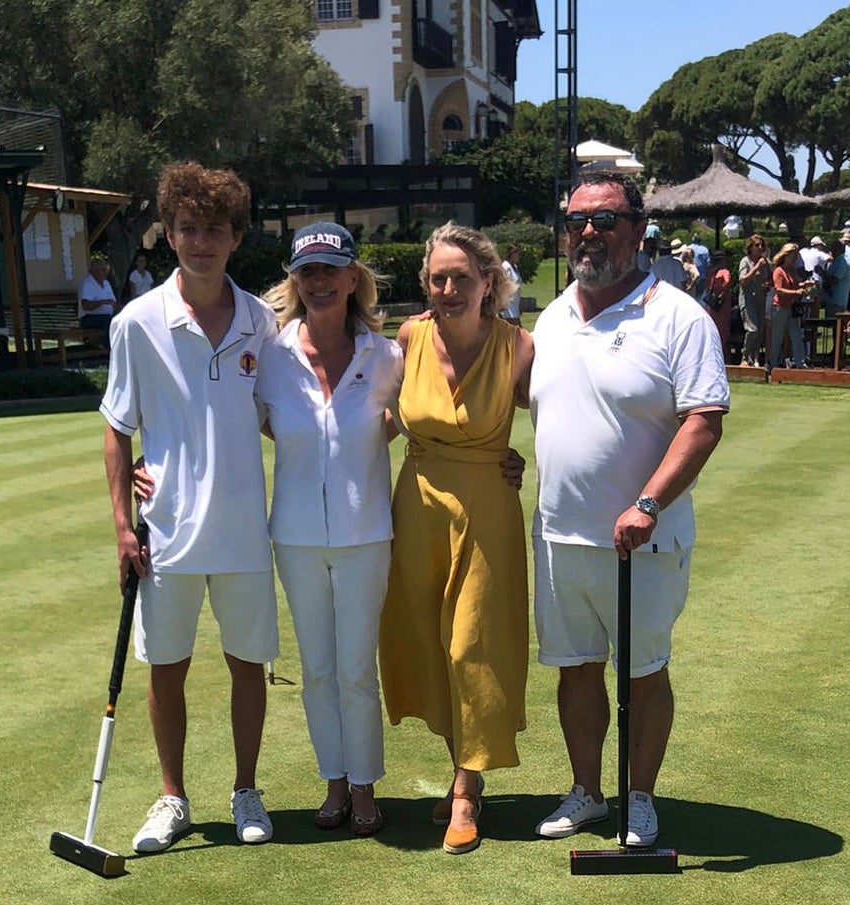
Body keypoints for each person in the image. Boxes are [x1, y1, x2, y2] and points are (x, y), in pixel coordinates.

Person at [529, 170, 729, 848]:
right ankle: (586, 792)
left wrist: (647, 502)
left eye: (606, 219)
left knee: (642, 672)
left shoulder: (676, 315)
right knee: (575, 668)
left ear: (637, 231)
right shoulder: (551, 317)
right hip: (560, 535)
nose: (590, 232)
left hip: (642, 539)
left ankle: (638, 798)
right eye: (578, 220)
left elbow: (702, 422)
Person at [101, 161, 279, 854]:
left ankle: (246, 790)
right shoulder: (137, 323)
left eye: (213, 230)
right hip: (165, 532)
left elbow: (284, 412)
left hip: (242, 532)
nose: (200, 241)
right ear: (168, 235)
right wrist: (121, 524)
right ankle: (172, 797)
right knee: (165, 667)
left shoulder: (262, 321)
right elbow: (118, 427)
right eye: (187, 229)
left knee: (246, 664)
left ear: (234, 237)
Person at [378, 221, 533, 855]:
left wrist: (518, 457)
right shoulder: (409, 336)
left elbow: (560, 420)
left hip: (488, 509)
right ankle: (459, 761)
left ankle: (467, 792)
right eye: (437, 278)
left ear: (487, 283)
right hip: (416, 506)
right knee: (427, 641)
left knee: (475, 644)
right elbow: (377, 418)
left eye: (461, 278)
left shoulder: (519, 347)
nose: (447, 289)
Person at [257, 223, 403, 837]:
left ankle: (365, 783)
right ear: (295, 279)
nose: (318, 283)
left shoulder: (387, 355)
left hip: (367, 532)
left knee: (354, 668)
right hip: (294, 534)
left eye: (330, 270)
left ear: (352, 278)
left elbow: (417, 422)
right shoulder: (270, 355)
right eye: (307, 272)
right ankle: (334, 783)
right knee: (316, 667)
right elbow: (253, 423)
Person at [769, 242, 813, 370]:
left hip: (791, 308)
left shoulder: (791, 270)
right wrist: (796, 292)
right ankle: (773, 364)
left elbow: (794, 285)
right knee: (777, 337)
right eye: (793, 255)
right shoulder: (779, 271)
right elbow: (778, 289)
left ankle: (800, 362)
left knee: (796, 335)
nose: (795, 258)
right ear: (786, 255)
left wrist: (803, 285)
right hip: (780, 308)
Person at [737, 235, 771, 367]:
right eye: (757, 245)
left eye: (762, 245)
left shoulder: (764, 263)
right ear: (750, 247)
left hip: (760, 299)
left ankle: (752, 359)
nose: (760, 247)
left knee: (759, 332)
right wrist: (756, 267)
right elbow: (743, 280)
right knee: (752, 329)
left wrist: (767, 284)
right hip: (748, 299)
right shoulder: (745, 261)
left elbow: (769, 279)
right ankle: (744, 358)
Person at [78, 257, 117, 347]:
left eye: (106, 270)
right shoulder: (86, 284)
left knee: (120, 319)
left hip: (106, 316)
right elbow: (86, 306)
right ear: (94, 271)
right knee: (109, 321)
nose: (106, 273)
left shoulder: (106, 283)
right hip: (89, 318)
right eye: (103, 270)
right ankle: (109, 349)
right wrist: (102, 302)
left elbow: (113, 303)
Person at [703, 250, 732, 362]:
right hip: (722, 304)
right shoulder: (724, 271)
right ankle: (723, 358)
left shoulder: (711, 272)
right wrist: (722, 293)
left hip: (711, 305)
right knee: (723, 331)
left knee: (712, 329)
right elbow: (728, 282)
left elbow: (707, 287)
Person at [822, 238, 850, 317]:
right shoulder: (836, 261)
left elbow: (836, 279)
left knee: (835, 325)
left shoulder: (841, 262)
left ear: (838, 249)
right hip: (832, 300)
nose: (831, 250)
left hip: (837, 301)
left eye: (833, 247)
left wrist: (823, 275)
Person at [500, 243, 523, 325]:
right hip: (508, 306)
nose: (519, 256)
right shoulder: (505, 267)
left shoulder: (515, 267)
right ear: (512, 254)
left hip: (515, 304)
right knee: (516, 331)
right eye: (518, 254)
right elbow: (501, 286)